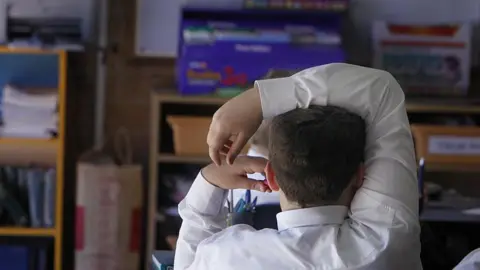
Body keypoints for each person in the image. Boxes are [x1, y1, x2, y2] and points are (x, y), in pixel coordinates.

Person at [175, 63, 421, 269]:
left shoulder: (226, 257)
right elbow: (381, 90)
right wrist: (258, 100)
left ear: (270, 177)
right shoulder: (386, 244)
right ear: (360, 175)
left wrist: (207, 183)